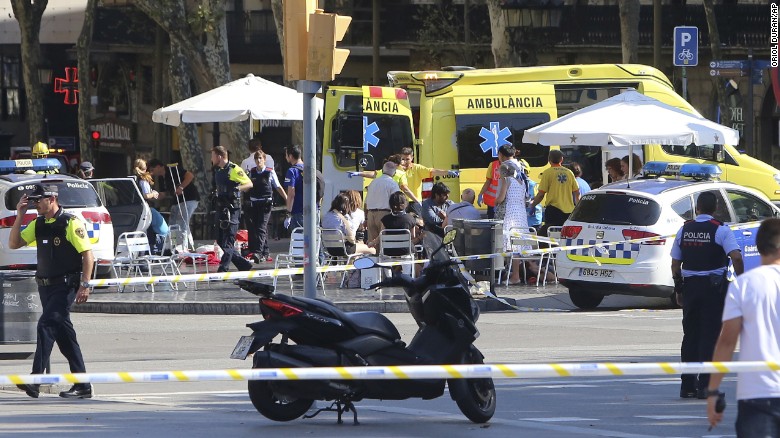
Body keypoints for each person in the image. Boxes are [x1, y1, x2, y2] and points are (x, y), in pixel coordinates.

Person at [8, 183, 94, 399]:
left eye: (39, 200)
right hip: (45, 287)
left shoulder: (70, 222)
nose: (35, 204)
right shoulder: (39, 224)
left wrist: (85, 284)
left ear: (52, 199)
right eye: (34, 200)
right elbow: (14, 243)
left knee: (46, 325)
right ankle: (83, 385)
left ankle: (36, 379)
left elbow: (87, 255)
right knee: (65, 337)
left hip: (65, 285)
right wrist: (20, 215)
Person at [706, 218, 780, 434]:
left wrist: (713, 391)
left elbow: (727, 341)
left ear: (758, 247)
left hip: (757, 392)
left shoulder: (744, 284)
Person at [671, 191, 744, 399]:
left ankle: (687, 385)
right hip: (714, 289)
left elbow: (675, 263)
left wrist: (679, 290)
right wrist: (742, 281)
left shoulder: (684, 229)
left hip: (690, 288)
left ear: (698, 208)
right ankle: (705, 386)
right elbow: (736, 258)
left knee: (690, 336)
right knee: (709, 337)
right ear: (715, 208)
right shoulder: (721, 230)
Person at [212, 146, 253, 272]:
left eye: (213, 156)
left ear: (219, 156)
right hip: (221, 208)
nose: (211, 159)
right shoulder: (219, 170)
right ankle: (243, 264)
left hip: (232, 209)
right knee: (220, 240)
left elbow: (249, 184)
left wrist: (237, 189)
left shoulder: (234, 169)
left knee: (228, 240)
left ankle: (223, 269)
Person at [147, 159, 200, 249]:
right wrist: (154, 195)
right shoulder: (161, 178)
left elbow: (190, 175)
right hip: (176, 201)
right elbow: (165, 193)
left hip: (188, 198)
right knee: (172, 224)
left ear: (159, 166)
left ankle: (182, 247)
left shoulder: (172, 170)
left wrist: (181, 187)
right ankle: (175, 245)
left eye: (153, 170)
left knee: (181, 223)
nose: (152, 173)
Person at [246, 151, 287, 263]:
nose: (258, 161)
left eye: (260, 158)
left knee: (261, 227)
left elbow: (277, 186)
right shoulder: (252, 172)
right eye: (256, 159)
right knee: (257, 228)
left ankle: (258, 253)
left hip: (265, 203)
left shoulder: (270, 172)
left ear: (264, 159)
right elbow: (247, 186)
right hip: (254, 203)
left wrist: (287, 199)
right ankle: (265, 251)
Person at [528, 150, 580, 235]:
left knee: (551, 236)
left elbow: (541, 194)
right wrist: (577, 207)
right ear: (562, 160)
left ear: (549, 160)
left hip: (553, 210)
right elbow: (576, 192)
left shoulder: (548, 173)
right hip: (568, 211)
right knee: (565, 235)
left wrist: (532, 204)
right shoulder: (569, 172)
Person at [494, 162, 530, 285]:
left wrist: (496, 201)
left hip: (510, 212)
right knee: (517, 244)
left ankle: (515, 276)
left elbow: (501, 198)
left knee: (512, 245)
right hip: (521, 213)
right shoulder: (522, 182)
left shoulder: (506, 180)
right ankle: (514, 273)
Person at [348, 154, 420, 207]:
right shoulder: (401, 174)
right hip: (392, 205)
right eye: (402, 163)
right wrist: (416, 201)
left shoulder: (382, 171)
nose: (404, 165)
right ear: (397, 165)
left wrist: (358, 173)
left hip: (378, 204)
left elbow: (373, 174)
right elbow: (406, 190)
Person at [399, 147, 454, 215]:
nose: (405, 162)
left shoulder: (417, 168)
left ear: (412, 158)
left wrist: (447, 172)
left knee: (417, 223)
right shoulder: (397, 168)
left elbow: (432, 171)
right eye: (403, 159)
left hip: (415, 202)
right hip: (401, 201)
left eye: (407, 159)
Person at [134, 159, 168, 254]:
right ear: (145, 169)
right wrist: (153, 193)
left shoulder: (135, 179)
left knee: (145, 230)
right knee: (152, 228)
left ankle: (148, 249)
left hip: (139, 209)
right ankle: (154, 248)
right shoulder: (143, 180)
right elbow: (146, 195)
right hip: (146, 209)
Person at [364, 161, 400, 243]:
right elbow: (397, 200)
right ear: (394, 173)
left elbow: (366, 202)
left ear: (383, 170)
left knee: (372, 244)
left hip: (370, 214)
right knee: (384, 242)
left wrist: (366, 218)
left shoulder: (373, 182)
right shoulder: (393, 184)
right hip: (385, 215)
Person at [478, 145, 517, 218]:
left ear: (500, 154)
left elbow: (504, 186)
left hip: (501, 201)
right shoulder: (493, 165)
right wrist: (481, 194)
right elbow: (488, 181)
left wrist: (498, 201)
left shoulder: (504, 167)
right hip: (494, 201)